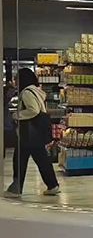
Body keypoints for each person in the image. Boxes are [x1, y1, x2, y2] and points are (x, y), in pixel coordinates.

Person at [4, 68, 59, 197]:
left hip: (28, 133)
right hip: (35, 134)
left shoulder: (27, 93)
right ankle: (52, 185)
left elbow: (33, 110)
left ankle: (16, 188)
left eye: (17, 78)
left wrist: (17, 115)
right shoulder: (36, 91)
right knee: (42, 159)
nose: (15, 81)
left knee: (19, 160)